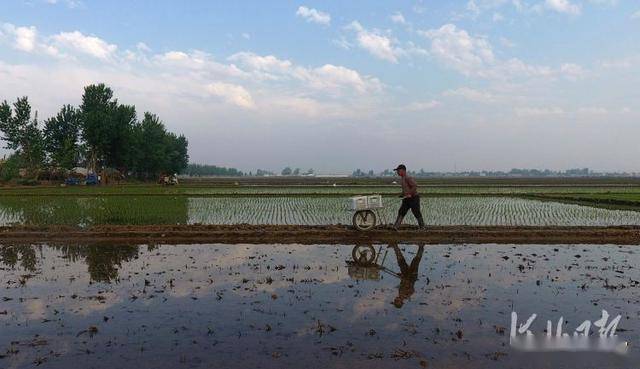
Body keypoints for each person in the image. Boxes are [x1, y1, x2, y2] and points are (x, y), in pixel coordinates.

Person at [389, 244, 425, 308]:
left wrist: (401, 276)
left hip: (405, 275)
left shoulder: (400, 293)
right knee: (416, 261)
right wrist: (404, 279)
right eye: (396, 301)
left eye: (395, 300)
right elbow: (410, 286)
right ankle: (421, 246)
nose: (395, 299)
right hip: (412, 275)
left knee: (401, 261)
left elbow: (402, 283)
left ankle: (395, 246)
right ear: (401, 302)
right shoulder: (407, 295)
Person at [392, 164, 425, 230]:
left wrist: (410, 193)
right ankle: (396, 227)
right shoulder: (402, 178)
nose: (397, 172)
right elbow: (406, 189)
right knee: (401, 211)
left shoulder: (407, 177)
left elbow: (415, 186)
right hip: (406, 198)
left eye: (398, 171)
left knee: (416, 212)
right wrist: (402, 194)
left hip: (414, 198)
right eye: (397, 171)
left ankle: (422, 227)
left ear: (403, 170)